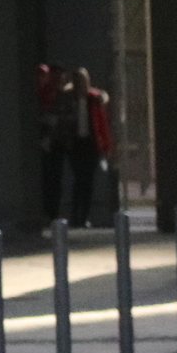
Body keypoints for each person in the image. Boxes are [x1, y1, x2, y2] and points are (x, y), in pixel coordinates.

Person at [40, 66, 113, 231]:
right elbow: (57, 117)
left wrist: (105, 145)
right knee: (79, 179)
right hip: (74, 144)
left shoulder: (93, 100)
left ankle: (84, 216)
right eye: (79, 82)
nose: (82, 86)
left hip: (91, 143)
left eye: (84, 82)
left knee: (88, 181)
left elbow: (101, 121)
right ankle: (75, 215)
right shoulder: (67, 98)